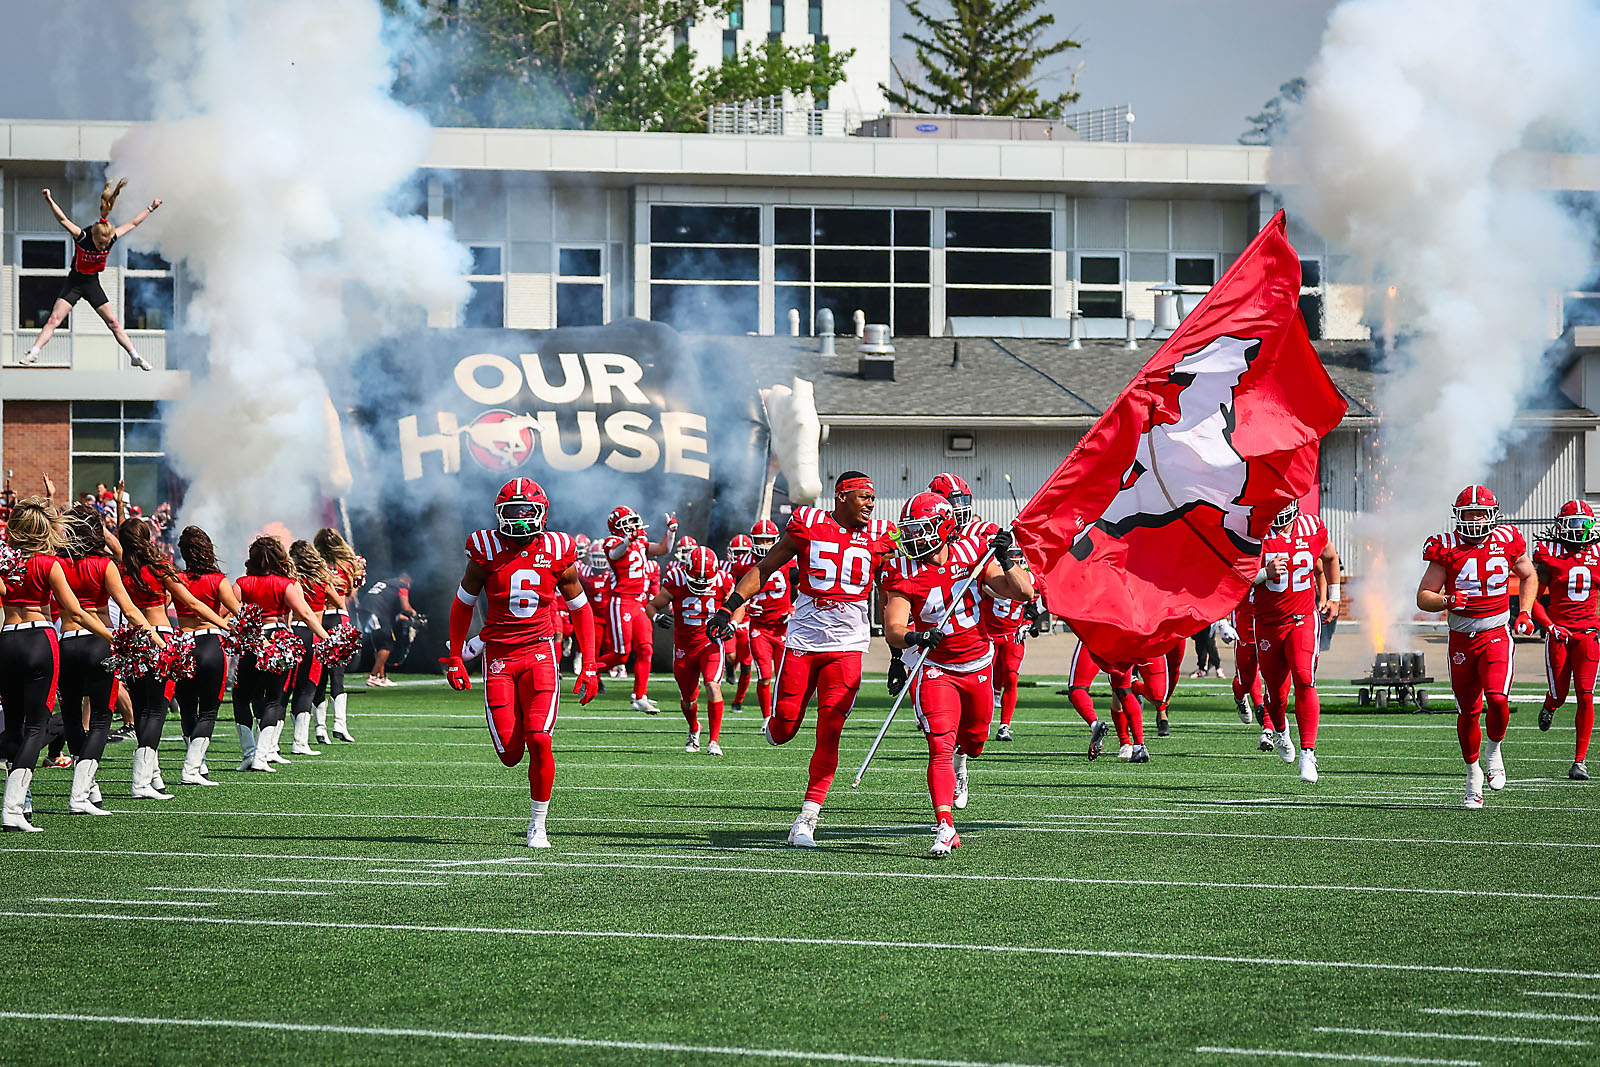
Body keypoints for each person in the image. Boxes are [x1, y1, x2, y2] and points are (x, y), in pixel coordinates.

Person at [707, 471, 898, 848]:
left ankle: (807, 818)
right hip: (805, 639)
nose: (870, 504)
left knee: (830, 729)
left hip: (848, 644)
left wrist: (897, 652)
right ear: (842, 497)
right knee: (783, 729)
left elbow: (892, 594)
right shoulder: (808, 524)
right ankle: (775, 726)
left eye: (872, 499)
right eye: (863, 497)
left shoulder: (882, 536)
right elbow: (765, 568)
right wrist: (728, 608)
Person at [440, 478, 600, 848]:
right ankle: (527, 790)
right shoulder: (484, 548)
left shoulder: (559, 548)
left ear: (541, 513)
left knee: (540, 739)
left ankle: (538, 824)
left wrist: (589, 664)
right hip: (498, 657)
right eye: (512, 511)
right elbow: (463, 603)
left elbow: (581, 608)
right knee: (512, 755)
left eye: (527, 510)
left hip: (541, 653)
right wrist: (454, 657)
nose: (520, 518)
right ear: (499, 514)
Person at [882, 493, 1032, 856]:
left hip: (979, 664)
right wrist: (916, 637)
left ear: (944, 527)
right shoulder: (903, 569)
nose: (914, 538)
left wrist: (1004, 560)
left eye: (921, 530)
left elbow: (1025, 592)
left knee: (975, 743)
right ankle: (945, 825)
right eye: (911, 531)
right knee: (938, 746)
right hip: (935, 667)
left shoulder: (971, 553)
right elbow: (893, 627)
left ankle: (964, 764)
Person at [1417, 485, 1537, 809]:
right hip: (1460, 637)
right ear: (1458, 515)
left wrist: (1524, 611)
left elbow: (1529, 574)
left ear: (1492, 514)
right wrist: (1446, 600)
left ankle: (1494, 750)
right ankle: (1473, 775)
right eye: (1469, 513)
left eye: (1480, 513)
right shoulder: (1446, 547)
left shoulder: (1507, 540)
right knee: (1468, 711)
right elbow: (1423, 595)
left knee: (1497, 699)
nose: (1475, 519)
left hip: (1496, 632)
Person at [1, 498, 115, 831]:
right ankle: (11, 806)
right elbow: (75, 612)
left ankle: (23, 803)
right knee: (37, 726)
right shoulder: (49, 564)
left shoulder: (7, 564)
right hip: (39, 640)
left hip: (6, 639)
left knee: (14, 725)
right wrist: (110, 636)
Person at [56, 507, 162, 813]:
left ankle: (89, 787)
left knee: (74, 717)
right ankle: (79, 793)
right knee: (102, 718)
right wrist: (158, 642)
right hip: (100, 641)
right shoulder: (104, 564)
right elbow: (129, 610)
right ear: (97, 532)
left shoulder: (58, 563)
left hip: (66, 642)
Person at [116, 517, 228, 798]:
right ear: (147, 538)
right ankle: (141, 782)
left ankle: (153, 777)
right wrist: (224, 623)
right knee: (156, 710)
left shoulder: (119, 571)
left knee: (142, 709)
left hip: (133, 640)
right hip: (159, 637)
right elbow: (191, 601)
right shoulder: (158, 568)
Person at [22, 181, 161, 371]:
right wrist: (49, 200)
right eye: (100, 245)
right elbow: (62, 219)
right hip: (75, 282)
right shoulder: (82, 236)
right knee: (54, 319)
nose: (103, 248)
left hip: (92, 282)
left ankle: (134, 356)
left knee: (113, 322)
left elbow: (133, 223)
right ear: (94, 236)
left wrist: (150, 208)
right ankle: (34, 352)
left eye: (105, 246)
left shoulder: (110, 238)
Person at [1250, 500, 1341, 784]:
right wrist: (1265, 573)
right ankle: (1279, 729)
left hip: (1302, 618)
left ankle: (1308, 753)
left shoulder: (1313, 526)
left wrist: (1334, 596)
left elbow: (1330, 556)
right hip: (1267, 623)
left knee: (1304, 678)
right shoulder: (1254, 532)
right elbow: (1234, 575)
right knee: (1276, 696)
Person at [233, 536, 332, 771]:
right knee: (274, 699)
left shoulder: (241, 583)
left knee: (241, 698)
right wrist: (329, 640)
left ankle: (249, 752)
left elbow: (226, 614)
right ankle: (261, 755)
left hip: (252, 640)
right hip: (278, 639)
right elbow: (306, 615)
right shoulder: (285, 584)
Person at [1533, 500, 1597, 781]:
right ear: (1560, 525)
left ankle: (1579, 762)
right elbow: (1532, 599)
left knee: (1586, 696)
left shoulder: (1597, 553)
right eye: (1572, 523)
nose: (1577, 530)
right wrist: (1549, 626)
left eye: (1583, 524)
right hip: (1559, 633)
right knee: (1560, 694)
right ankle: (1550, 704)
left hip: (1587, 635)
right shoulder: (1548, 553)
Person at [652, 545, 736, 755]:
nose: (700, 586)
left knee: (712, 685)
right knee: (689, 700)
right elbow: (652, 605)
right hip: (684, 646)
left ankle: (714, 741)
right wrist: (656, 616)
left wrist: (732, 624)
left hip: (710, 642)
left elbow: (738, 604)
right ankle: (694, 729)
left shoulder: (723, 580)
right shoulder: (676, 579)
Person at [594, 506, 676, 715]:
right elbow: (614, 553)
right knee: (621, 655)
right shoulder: (612, 541)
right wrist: (629, 539)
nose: (633, 525)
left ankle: (640, 696)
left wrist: (671, 532)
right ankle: (589, 671)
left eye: (633, 521)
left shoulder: (639, 543)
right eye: (628, 522)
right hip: (621, 602)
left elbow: (663, 549)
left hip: (639, 603)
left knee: (646, 649)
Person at [175, 526, 239, 786]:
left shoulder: (175, 578)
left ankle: (198, 763)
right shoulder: (218, 580)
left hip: (182, 643)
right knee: (209, 710)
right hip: (210, 642)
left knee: (187, 708)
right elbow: (239, 611)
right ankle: (192, 767)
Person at [287, 540, 345, 756]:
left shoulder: (290, 581)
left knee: (286, 689)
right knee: (307, 688)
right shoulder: (322, 581)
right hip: (313, 635)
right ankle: (300, 742)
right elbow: (340, 603)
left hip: (292, 631)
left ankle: (271, 746)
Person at [314, 527, 364, 743]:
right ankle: (340, 724)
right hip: (339, 619)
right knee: (338, 675)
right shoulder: (348, 564)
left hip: (318, 618)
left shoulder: (314, 567)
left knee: (318, 677)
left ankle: (319, 728)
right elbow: (351, 594)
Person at [744, 520, 795, 723]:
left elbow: (806, 587)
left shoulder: (788, 561)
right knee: (765, 676)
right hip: (759, 628)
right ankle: (767, 718)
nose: (764, 544)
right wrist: (745, 607)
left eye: (768, 540)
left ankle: (781, 715)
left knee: (785, 678)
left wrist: (794, 607)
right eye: (760, 540)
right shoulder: (743, 564)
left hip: (782, 627)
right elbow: (729, 591)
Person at [1062, 639, 1117, 761]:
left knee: (1077, 688)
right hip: (1126, 636)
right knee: (1124, 690)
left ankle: (1094, 723)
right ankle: (1134, 745)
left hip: (1094, 635)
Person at [362, 572, 415, 689]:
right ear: (407, 579)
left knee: (380, 645)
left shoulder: (387, 583)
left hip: (366, 610)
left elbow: (387, 606)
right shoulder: (402, 585)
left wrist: (401, 617)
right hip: (376, 612)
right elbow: (405, 607)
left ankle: (381, 677)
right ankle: (373, 676)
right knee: (387, 644)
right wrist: (413, 613)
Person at [723, 533, 757, 710]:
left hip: (749, 621)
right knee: (730, 656)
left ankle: (739, 700)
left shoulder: (756, 568)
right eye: (738, 552)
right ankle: (729, 668)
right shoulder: (725, 570)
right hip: (731, 619)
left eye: (744, 552)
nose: (740, 556)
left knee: (746, 665)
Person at [1231, 592, 1264, 734]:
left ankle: (1264, 715)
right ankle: (1240, 697)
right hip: (1245, 625)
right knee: (1245, 681)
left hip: (1269, 623)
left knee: (1273, 673)